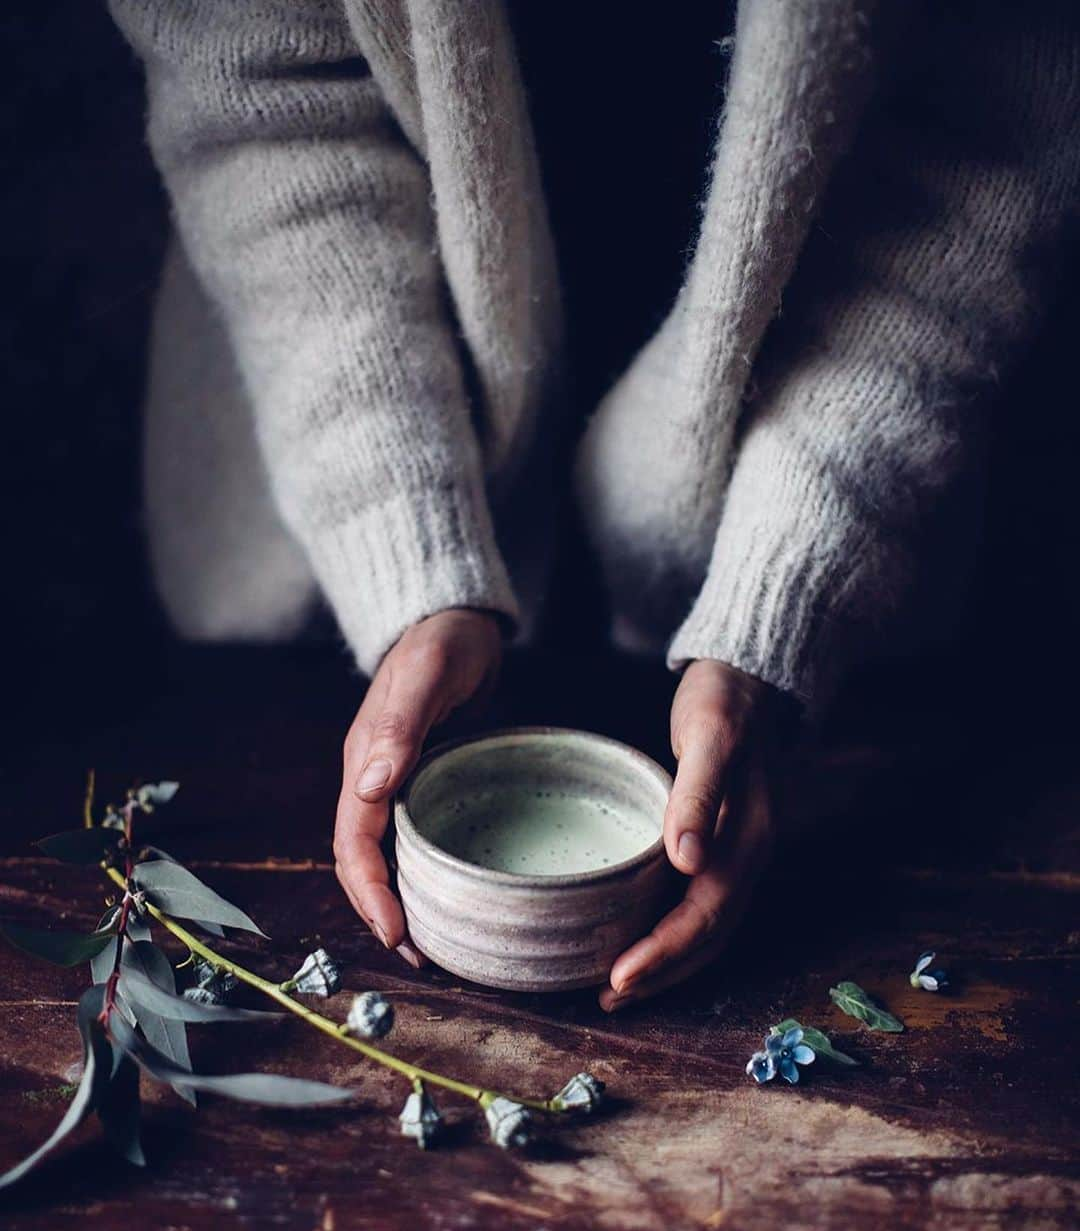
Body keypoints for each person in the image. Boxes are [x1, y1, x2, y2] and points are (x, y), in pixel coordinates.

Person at [108, 0, 1080, 1010]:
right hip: (333, 478)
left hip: (825, 463)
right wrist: (405, 546)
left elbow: (984, 142)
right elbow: (262, 111)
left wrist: (783, 592)